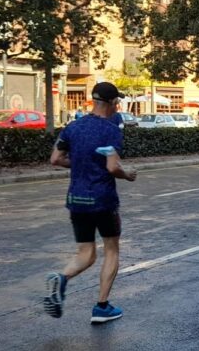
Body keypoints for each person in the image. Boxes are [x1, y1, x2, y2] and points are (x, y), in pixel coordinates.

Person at [44, 82, 137, 324]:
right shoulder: (111, 130)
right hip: (103, 200)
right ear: (110, 103)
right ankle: (102, 306)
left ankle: (61, 277)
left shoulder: (73, 127)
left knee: (86, 254)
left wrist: (81, 163)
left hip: (76, 199)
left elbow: (56, 158)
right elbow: (112, 167)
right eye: (117, 102)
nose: (118, 106)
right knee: (111, 249)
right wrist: (128, 174)